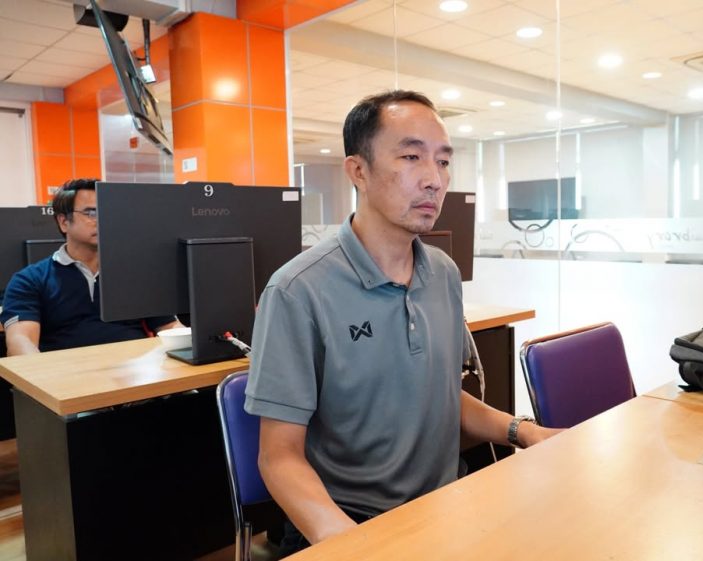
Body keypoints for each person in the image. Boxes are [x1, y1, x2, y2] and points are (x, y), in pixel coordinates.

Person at [245, 90, 561, 556]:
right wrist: (350, 543)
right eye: (412, 157)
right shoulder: (297, 290)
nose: (434, 180)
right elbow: (279, 457)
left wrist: (525, 431)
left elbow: (441, 397)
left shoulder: (443, 273)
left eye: (443, 162)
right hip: (352, 522)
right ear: (358, 171)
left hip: (447, 506)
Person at [0, 178, 180, 356]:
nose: (102, 220)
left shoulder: (135, 273)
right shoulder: (29, 280)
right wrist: (39, 372)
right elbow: (21, 340)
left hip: (136, 367)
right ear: (64, 222)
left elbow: (169, 326)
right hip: (69, 370)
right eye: (91, 213)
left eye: (107, 212)